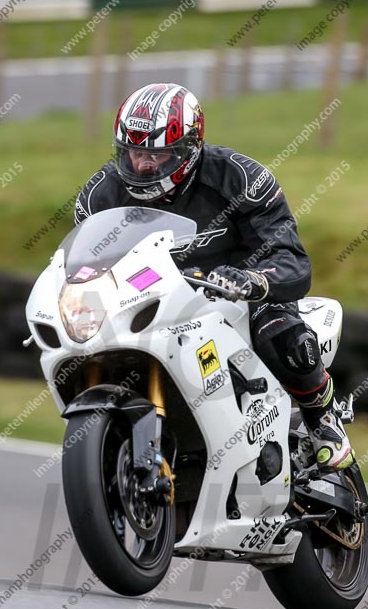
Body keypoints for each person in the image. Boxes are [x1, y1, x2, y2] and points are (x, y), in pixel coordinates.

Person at [74, 82, 353, 471]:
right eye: (135, 152)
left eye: (159, 154)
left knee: (277, 327)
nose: (143, 166)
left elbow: (291, 258)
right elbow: (83, 263)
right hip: (153, 301)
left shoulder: (241, 180)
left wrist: (254, 281)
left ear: (189, 149)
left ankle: (322, 417)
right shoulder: (99, 197)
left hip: (238, 296)